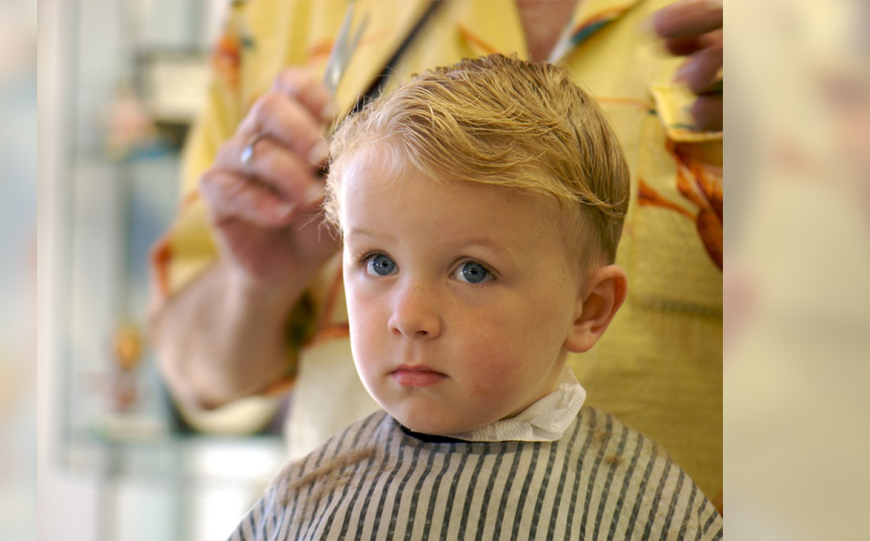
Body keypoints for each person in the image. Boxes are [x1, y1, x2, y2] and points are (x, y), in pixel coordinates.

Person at [150, 0, 724, 500]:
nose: (409, 317)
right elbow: (195, 373)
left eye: (473, 270)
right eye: (378, 263)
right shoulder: (283, 13)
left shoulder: (655, 503)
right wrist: (256, 282)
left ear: (592, 307)